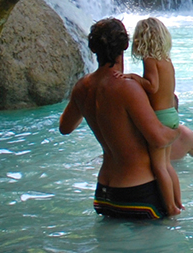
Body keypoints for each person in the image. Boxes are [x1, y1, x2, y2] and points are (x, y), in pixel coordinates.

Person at [59, 18, 180, 220]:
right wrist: (176, 131)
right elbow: (158, 138)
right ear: (125, 45)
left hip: (104, 194)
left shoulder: (82, 87)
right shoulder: (127, 88)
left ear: (93, 49)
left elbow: (65, 127)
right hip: (138, 192)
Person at [126, 18, 185, 216]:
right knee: (167, 165)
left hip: (159, 116)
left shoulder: (150, 59)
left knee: (159, 166)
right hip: (171, 114)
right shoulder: (167, 61)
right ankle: (178, 202)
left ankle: (170, 208)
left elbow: (152, 86)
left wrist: (134, 78)